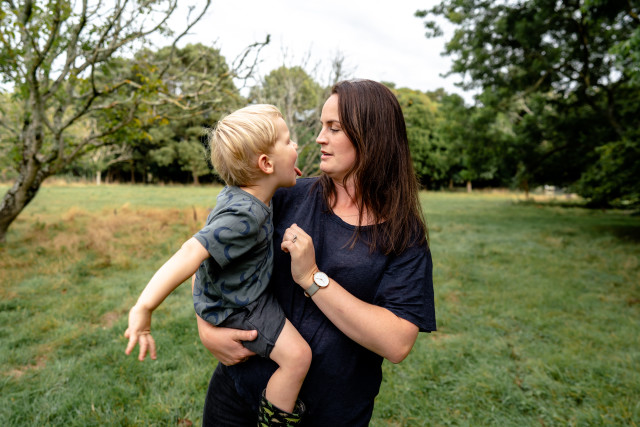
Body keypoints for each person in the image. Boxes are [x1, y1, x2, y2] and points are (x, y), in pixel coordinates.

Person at [196, 79, 436, 426]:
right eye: (322, 126)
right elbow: (206, 256)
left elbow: (397, 342)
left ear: (373, 137)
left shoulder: (404, 235)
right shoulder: (284, 196)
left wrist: (312, 278)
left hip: (332, 414)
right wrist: (207, 328)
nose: (320, 138)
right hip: (237, 398)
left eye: (334, 128)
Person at [124, 104, 311, 426]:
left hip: (235, 291)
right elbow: (190, 253)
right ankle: (274, 420)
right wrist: (144, 307)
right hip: (241, 306)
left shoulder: (238, 195)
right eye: (287, 141)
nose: (295, 146)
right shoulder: (245, 215)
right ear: (266, 164)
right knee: (297, 357)